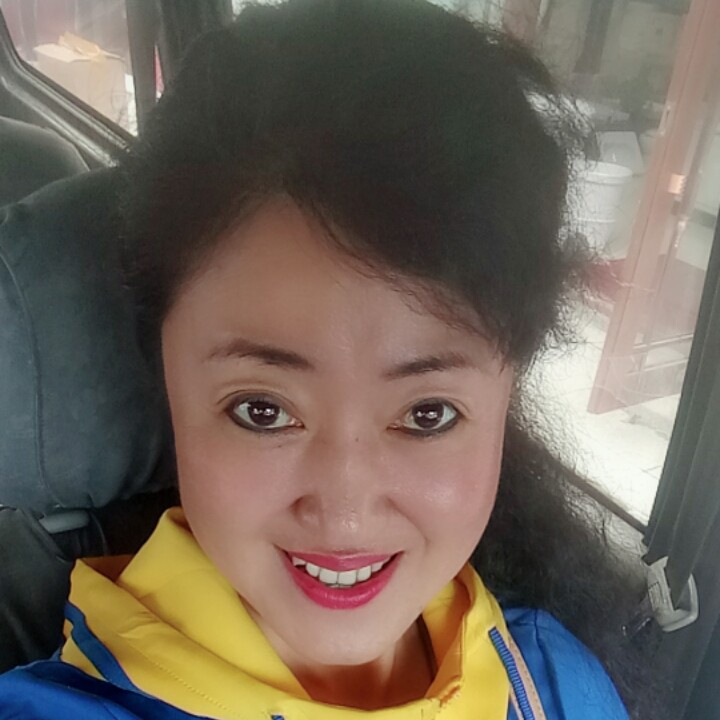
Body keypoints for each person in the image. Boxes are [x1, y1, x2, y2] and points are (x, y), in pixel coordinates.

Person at [0, 0, 662, 718]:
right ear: (164, 373)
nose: (345, 513)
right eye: (262, 410)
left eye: (428, 414)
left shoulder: (555, 680)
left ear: (507, 394)